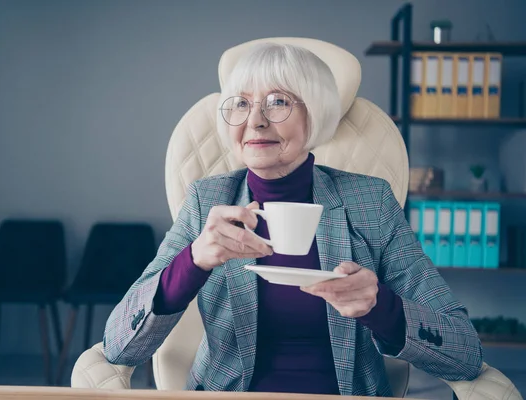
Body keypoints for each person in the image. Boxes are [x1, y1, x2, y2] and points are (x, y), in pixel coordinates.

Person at [103, 42, 482, 397]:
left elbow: (464, 352)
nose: (255, 121)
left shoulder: (370, 201)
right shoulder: (208, 201)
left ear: (314, 115)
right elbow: (119, 346)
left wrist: (380, 305)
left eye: (278, 102)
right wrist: (194, 260)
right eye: (240, 104)